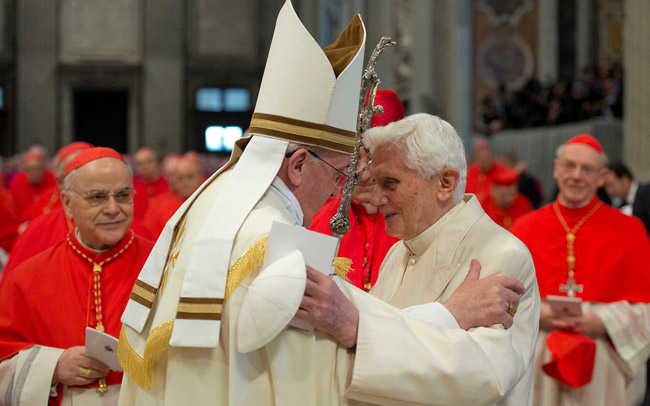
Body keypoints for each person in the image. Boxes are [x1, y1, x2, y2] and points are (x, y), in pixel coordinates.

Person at [118, 3, 529, 405]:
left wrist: (368, 323)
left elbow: (483, 373)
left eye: (389, 182)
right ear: (299, 165)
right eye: (337, 173)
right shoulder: (272, 244)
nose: (339, 192)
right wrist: (448, 315)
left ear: (445, 183)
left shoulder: (216, 213)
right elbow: (325, 364)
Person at [0, 147, 155, 405]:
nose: (113, 208)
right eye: (97, 197)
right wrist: (53, 366)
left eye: (123, 195)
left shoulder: (163, 266)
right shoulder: (27, 278)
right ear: (68, 203)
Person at [510, 134, 650, 406]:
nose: (576, 175)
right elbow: (501, 300)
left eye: (587, 169)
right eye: (569, 165)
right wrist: (536, 314)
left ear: (602, 177)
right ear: (556, 169)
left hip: (604, 356)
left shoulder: (630, 230)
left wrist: (603, 322)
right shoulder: (524, 228)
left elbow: (645, 308)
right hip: (538, 352)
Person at [309, 89, 403, 290]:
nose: (363, 174)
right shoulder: (313, 222)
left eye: (373, 158)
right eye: (353, 158)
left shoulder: (416, 226)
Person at [144, 155, 205, 237]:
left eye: (190, 177)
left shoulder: (213, 200)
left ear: (200, 177)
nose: (185, 182)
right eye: (180, 178)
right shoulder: (159, 204)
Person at [9, 148, 56, 220]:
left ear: (43, 169)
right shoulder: (18, 182)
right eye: (29, 170)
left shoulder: (52, 179)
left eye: (36, 169)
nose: (33, 173)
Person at [606, 161, 650, 234]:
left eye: (611, 185)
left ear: (625, 179)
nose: (608, 190)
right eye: (606, 187)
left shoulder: (647, 193)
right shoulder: (619, 205)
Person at [132, 147, 169, 220]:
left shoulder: (169, 185)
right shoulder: (132, 189)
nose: (144, 167)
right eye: (139, 164)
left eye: (148, 162)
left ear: (157, 163)